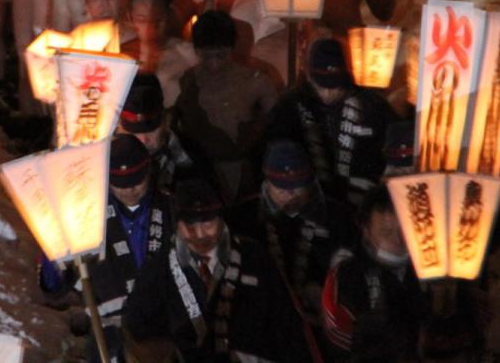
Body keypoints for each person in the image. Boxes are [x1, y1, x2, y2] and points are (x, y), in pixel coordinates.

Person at [123, 179, 307, 362]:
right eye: (190, 227)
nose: (200, 235)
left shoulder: (254, 257)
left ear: (221, 219)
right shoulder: (158, 268)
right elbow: (137, 330)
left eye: (208, 224)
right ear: (177, 225)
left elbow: (286, 327)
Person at [40, 135, 175, 362]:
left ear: (149, 172)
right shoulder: (85, 218)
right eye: (120, 184)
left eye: (137, 181)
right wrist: (49, 245)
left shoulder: (171, 209)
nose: (130, 189)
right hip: (109, 338)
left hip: (162, 338)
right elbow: (54, 287)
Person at [228, 140, 354, 329]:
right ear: (266, 182)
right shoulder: (242, 218)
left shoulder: (336, 216)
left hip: (325, 318)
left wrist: (326, 292)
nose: (290, 195)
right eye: (281, 189)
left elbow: (350, 269)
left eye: (296, 188)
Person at [261, 39, 392, 210]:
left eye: (335, 86)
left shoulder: (371, 105)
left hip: (363, 197)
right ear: (309, 76)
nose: (328, 93)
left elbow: (389, 148)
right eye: (321, 85)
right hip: (309, 198)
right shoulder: (292, 105)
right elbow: (272, 148)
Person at [174, 11, 279, 202]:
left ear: (232, 49)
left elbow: (278, 130)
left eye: (220, 56)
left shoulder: (256, 82)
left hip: (244, 172)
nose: (214, 64)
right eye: (207, 56)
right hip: (197, 171)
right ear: (196, 51)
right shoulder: (186, 81)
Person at [321, 185, 423, 360]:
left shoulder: (433, 264)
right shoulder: (346, 277)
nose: (398, 240)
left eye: (404, 230)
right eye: (386, 232)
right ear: (366, 230)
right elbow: (339, 342)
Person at [117, 73, 200, 192]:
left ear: (166, 120)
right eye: (134, 132)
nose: (144, 140)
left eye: (151, 130)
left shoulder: (188, 156)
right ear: (119, 126)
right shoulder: (101, 161)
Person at [121, 0, 198, 108]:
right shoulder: (121, 56)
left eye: (157, 20)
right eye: (142, 20)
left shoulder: (186, 52)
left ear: (168, 16)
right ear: (130, 18)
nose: (150, 27)